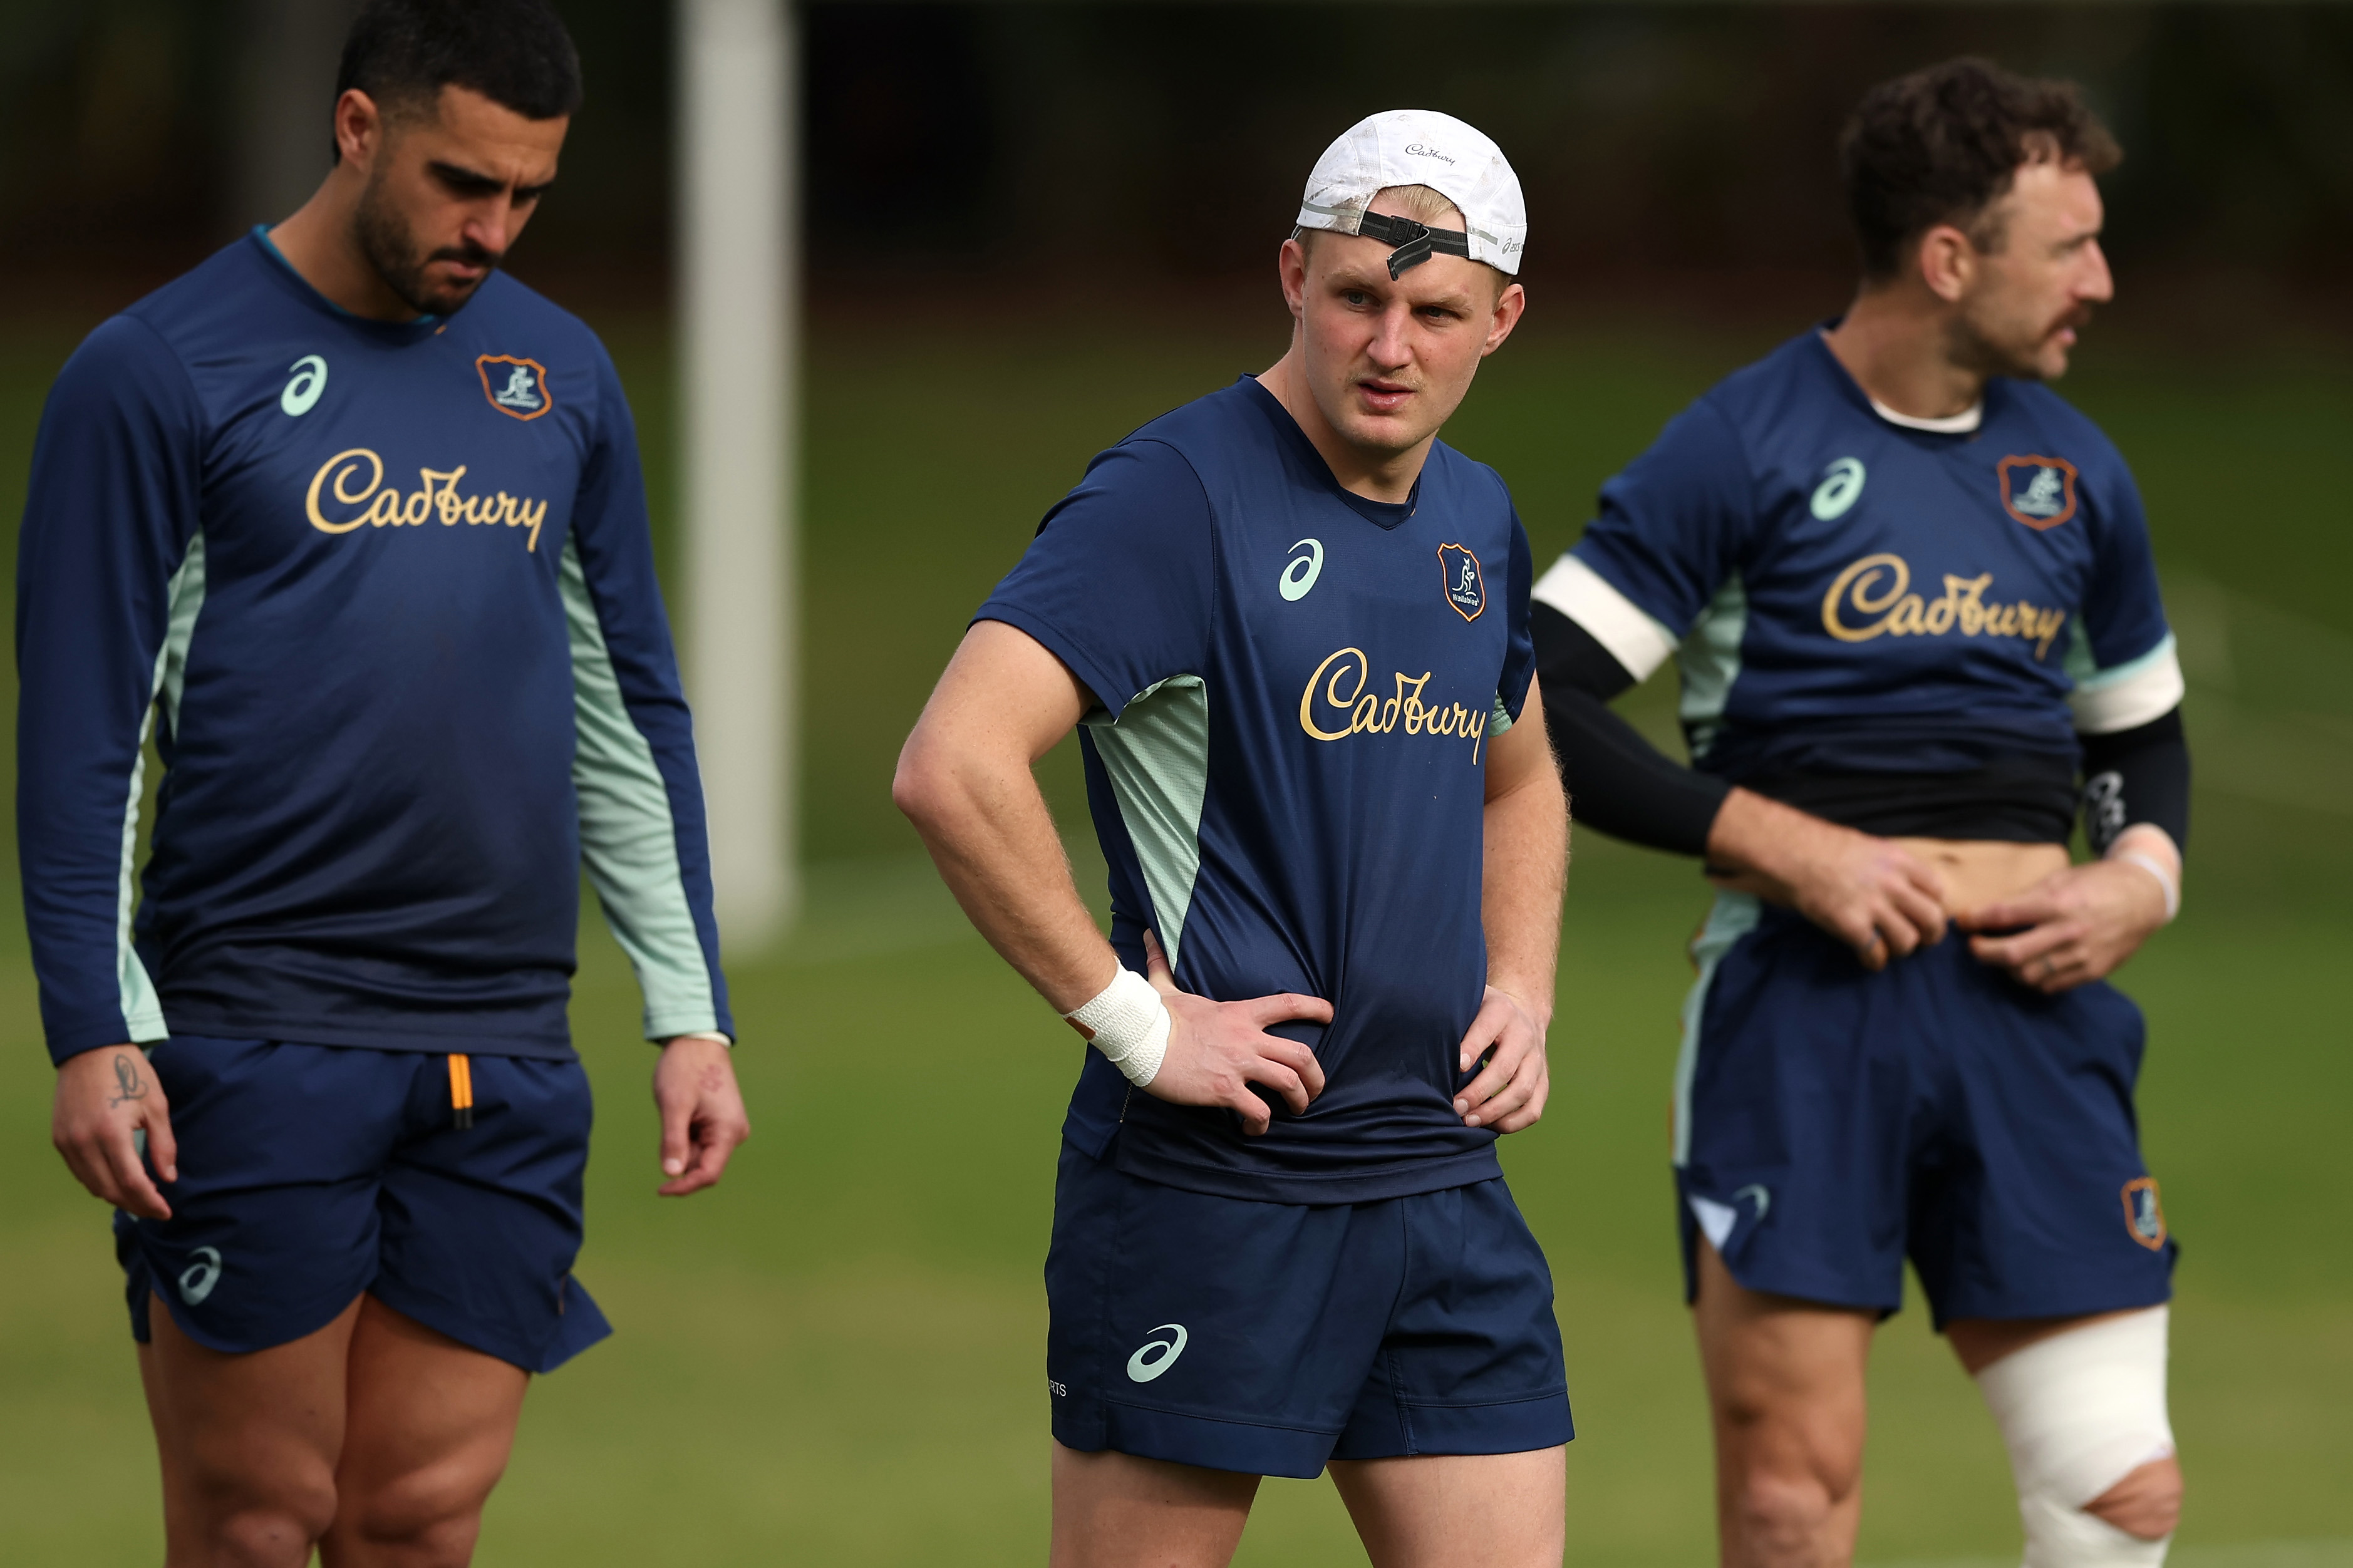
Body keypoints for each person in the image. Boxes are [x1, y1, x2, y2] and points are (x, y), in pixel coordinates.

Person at [19, 2, 750, 1562]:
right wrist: (94, 1026)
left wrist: (688, 1015)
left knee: (416, 1517)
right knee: (256, 1517)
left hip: (498, 1045)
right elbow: (79, 735)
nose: (492, 229)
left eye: (528, 195)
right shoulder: (154, 372)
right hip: (251, 1028)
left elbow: (627, 708)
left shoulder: (558, 378)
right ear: (358, 129)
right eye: (459, 182)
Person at [1531, 58, 2187, 1568]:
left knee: (2117, 1498)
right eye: (2068, 244)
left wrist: (2136, 878)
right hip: (1803, 1015)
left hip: (2035, 1010)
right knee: (1786, 1504)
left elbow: (2140, 743)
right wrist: (1773, 839)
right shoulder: (1739, 445)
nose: (2100, 277)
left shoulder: (2077, 472)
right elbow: (1525, 704)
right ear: (1951, 257)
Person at [894, 110, 1571, 1568]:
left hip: (1440, 1179)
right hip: (1219, 1188)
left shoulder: (1475, 519)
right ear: (1291, 276)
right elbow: (953, 765)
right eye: (1356, 297)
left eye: (1432, 310)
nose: (1389, 343)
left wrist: (1521, 983)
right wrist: (1136, 1026)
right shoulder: (1173, 496)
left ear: (1500, 319)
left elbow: (1520, 777)